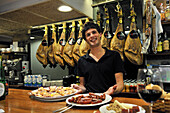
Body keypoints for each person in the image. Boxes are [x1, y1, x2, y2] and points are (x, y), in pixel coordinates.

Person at [72, 21, 125, 95]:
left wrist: (112, 91)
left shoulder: (114, 56)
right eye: (88, 35)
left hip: (111, 100)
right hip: (91, 101)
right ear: (86, 40)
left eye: (94, 32)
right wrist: (79, 88)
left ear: (100, 34)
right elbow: (82, 86)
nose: (92, 36)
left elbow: (120, 85)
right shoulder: (82, 60)